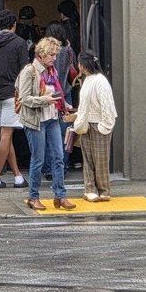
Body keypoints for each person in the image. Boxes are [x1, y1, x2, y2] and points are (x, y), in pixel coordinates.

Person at [16, 37, 75, 211]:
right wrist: (45, 100)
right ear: (41, 54)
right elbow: (24, 98)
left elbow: (57, 93)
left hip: (52, 118)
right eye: (51, 54)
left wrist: (64, 104)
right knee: (38, 159)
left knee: (59, 157)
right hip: (36, 121)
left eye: (55, 54)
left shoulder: (52, 71)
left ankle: (60, 195)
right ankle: (33, 197)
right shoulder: (30, 71)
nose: (54, 58)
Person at [0, 8, 29, 189]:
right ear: (14, 25)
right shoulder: (19, 43)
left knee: (5, 135)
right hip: (12, 94)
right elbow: (25, 71)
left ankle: (18, 176)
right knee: (6, 135)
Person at [70, 50, 117, 201]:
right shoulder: (89, 79)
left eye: (79, 63)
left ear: (83, 65)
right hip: (87, 123)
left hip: (98, 124)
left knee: (100, 159)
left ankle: (103, 190)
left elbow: (107, 105)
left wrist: (105, 125)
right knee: (88, 159)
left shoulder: (100, 81)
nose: (78, 66)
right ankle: (90, 189)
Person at [43, 22, 76, 174]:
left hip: (49, 94)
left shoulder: (45, 53)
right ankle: (62, 166)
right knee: (65, 132)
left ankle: (48, 167)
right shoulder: (68, 50)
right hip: (65, 94)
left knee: (49, 131)